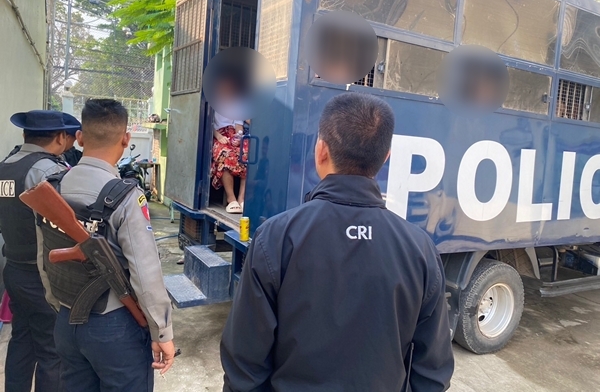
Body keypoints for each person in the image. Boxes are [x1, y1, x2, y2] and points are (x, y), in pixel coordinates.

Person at [221, 93, 454, 391]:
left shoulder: (276, 238)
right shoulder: (419, 249)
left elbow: (244, 364)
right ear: (385, 157)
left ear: (321, 150)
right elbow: (432, 372)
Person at [37, 99, 175, 390]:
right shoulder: (125, 197)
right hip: (114, 327)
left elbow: (45, 256)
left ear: (80, 137)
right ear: (126, 139)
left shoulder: (51, 187)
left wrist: (59, 305)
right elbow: (146, 274)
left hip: (66, 322)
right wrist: (162, 332)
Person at [0, 110, 79, 392]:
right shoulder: (48, 171)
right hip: (41, 276)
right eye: (70, 138)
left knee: (22, 340)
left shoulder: (5, 166)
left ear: (25, 135)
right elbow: (66, 223)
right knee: (52, 350)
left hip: (14, 269)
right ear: (60, 137)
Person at [211, 111, 248, 214]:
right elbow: (209, 124)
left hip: (233, 135)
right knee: (225, 153)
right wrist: (219, 137)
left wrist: (238, 137)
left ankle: (241, 199)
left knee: (247, 153)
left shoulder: (236, 106)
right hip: (218, 134)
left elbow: (239, 126)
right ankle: (231, 199)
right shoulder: (212, 105)